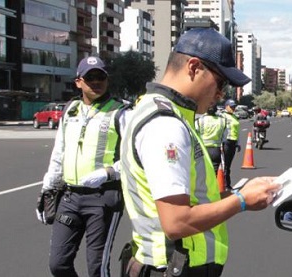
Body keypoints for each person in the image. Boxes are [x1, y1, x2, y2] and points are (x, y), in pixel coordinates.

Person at [119, 28, 281, 277]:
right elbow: (176, 221)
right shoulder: (166, 125)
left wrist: (241, 192)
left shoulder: (162, 111)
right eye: (221, 83)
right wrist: (241, 202)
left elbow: (194, 195)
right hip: (173, 267)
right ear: (194, 67)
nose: (221, 94)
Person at [36, 56, 128, 277]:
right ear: (78, 82)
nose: (96, 82)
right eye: (90, 77)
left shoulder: (122, 112)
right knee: (58, 264)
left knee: (97, 268)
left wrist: (108, 173)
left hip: (102, 199)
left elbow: (136, 159)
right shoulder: (71, 110)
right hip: (70, 198)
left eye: (101, 77)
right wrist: (47, 190)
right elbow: (59, 152)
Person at [195, 105, 227, 173]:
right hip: (216, 150)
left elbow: (195, 135)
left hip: (203, 150)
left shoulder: (200, 120)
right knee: (213, 173)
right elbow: (225, 137)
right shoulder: (222, 120)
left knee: (202, 173)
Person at [220, 98, 241, 189]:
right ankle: (226, 185)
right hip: (226, 142)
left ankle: (227, 184)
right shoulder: (222, 116)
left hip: (233, 142)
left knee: (228, 165)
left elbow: (237, 131)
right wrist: (220, 143)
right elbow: (220, 130)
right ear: (226, 106)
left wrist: (238, 143)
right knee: (225, 165)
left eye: (234, 107)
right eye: (231, 106)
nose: (233, 108)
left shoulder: (235, 116)